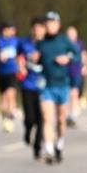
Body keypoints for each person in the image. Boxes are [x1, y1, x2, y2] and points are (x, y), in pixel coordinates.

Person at [35, 11, 77, 164]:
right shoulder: (41, 42)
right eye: (47, 22)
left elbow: (77, 55)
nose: (49, 25)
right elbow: (36, 62)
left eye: (52, 22)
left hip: (63, 85)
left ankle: (59, 143)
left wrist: (68, 58)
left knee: (60, 119)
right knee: (47, 118)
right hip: (47, 86)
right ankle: (49, 149)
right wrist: (33, 60)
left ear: (58, 25)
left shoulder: (64, 41)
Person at [18, 17, 47, 160]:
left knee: (42, 119)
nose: (38, 32)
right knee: (30, 118)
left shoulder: (48, 44)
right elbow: (19, 57)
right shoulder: (24, 43)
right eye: (36, 29)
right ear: (32, 30)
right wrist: (21, 66)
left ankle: (37, 149)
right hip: (28, 85)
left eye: (41, 29)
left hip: (43, 87)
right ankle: (28, 129)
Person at [0, 22, 21, 133]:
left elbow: (21, 53)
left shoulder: (15, 41)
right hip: (1, 73)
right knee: (4, 96)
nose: (12, 31)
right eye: (10, 29)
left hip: (12, 72)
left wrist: (20, 64)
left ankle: (10, 116)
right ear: (4, 30)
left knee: (11, 93)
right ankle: (5, 116)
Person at [65, 25, 87, 127]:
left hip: (76, 71)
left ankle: (72, 116)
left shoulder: (80, 44)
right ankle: (68, 114)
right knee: (67, 94)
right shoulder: (64, 44)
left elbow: (83, 55)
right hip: (65, 72)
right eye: (69, 34)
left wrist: (85, 66)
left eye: (72, 33)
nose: (71, 35)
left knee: (74, 93)